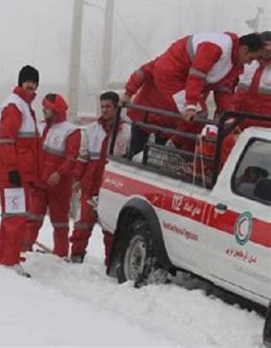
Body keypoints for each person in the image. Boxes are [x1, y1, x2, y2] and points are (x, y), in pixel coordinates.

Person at [123, 32, 263, 150]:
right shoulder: (212, 49)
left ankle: (176, 148)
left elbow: (223, 93)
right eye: (251, 59)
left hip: (168, 121)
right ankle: (175, 148)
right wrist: (128, 93)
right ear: (244, 49)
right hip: (147, 116)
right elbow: (196, 75)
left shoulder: (230, 66)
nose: (250, 63)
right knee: (137, 148)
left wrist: (230, 122)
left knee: (195, 117)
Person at [70, 91, 130, 265]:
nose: (104, 110)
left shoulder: (127, 131)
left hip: (113, 186)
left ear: (116, 107)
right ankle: (76, 255)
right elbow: (83, 157)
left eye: (108, 107)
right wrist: (76, 179)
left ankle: (111, 262)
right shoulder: (91, 130)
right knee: (83, 223)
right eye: (102, 106)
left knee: (111, 227)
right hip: (91, 185)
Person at [0, 65, 40, 276]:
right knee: (16, 218)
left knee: (11, 216)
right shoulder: (15, 107)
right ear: (21, 82)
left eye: (34, 82)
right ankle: (9, 262)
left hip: (19, 172)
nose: (31, 86)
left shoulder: (23, 106)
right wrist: (12, 168)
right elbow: (6, 139)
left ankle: (2, 258)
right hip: (13, 173)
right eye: (28, 82)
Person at [24, 93, 81, 258]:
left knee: (60, 222)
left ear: (55, 109)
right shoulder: (40, 127)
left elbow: (72, 158)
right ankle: (25, 250)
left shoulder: (71, 131)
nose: (43, 109)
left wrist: (60, 173)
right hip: (39, 184)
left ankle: (61, 255)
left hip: (59, 186)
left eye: (47, 107)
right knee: (32, 218)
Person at [234, 31, 271, 129]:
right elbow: (238, 97)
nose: (268, 48)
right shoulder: (247, 64)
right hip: (243, 125)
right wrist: (232, 119)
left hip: (267, 130)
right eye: (265, 45)